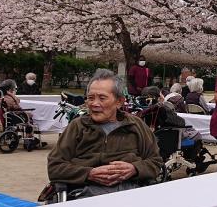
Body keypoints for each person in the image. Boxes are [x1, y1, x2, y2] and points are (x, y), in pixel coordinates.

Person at [47, 69, 163, 197]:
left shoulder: (135, 125)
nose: (94, 104)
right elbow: (54, 166)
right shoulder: (78, 126)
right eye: (90, 98)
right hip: (86, 193)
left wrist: (135, 169)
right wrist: (88, 173)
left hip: (130, 192)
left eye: (102, 98)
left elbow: (155, 162)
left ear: (119, 102)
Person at [0, 79, 44, 148]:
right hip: (14, 115)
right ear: (10, 89)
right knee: (29, 118)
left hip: (8, 116)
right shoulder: (10, 98)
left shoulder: (2, 96)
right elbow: (16, 107)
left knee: (26, 115)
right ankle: (29, 138)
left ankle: (25, 137)